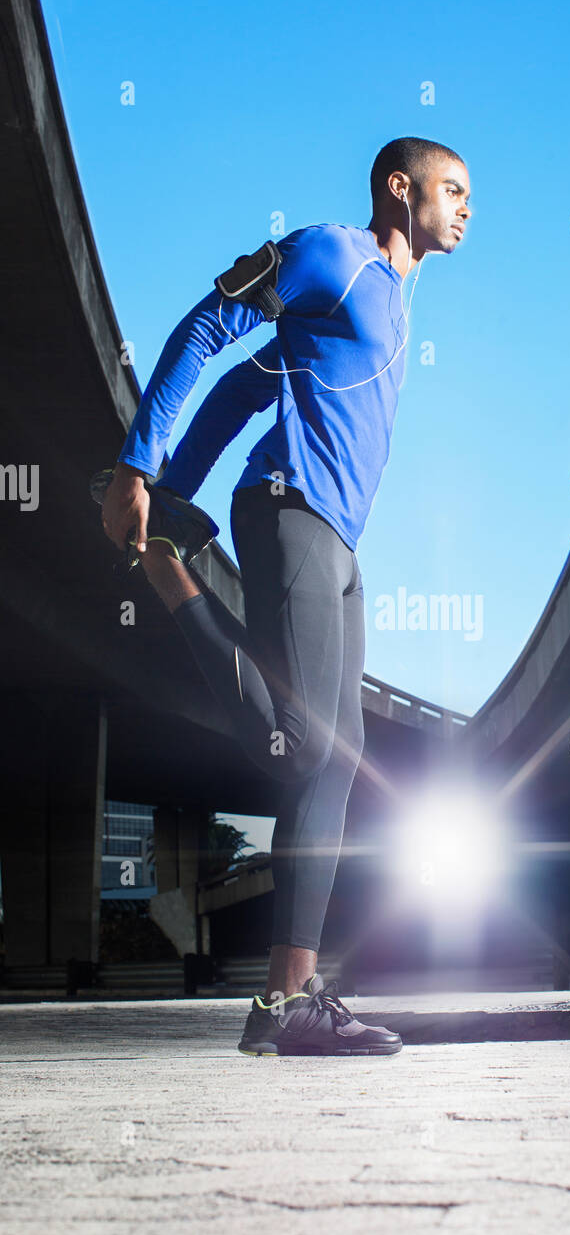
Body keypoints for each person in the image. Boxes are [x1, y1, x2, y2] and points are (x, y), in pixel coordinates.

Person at [98, 137, 472, 1056]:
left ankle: (284, 1007)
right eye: (453, 190)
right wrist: (140, 469)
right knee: (306, 747)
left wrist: (176, 495)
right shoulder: (332, 255)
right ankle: (166, 574)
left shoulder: (390, 301)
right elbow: (206, 327)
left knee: (338, 761)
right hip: (285, 507)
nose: (466, 208)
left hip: (338, 540)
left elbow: (247, 383)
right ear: (400, 186)